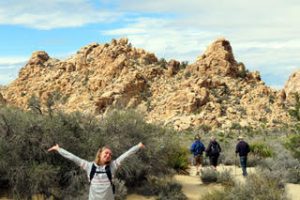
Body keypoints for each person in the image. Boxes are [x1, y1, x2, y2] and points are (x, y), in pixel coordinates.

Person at [48, 142, 145, 200]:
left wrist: (138, 146)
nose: (108, 155)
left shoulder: (113, 166)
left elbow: (126, 155)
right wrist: (59, 149)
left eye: (110, 154)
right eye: (106, 153)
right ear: (100, 153)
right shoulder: (89, 166)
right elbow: (73, 157)